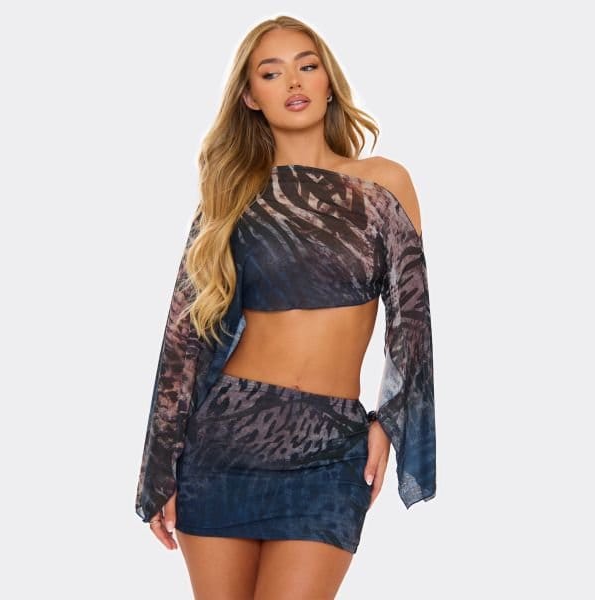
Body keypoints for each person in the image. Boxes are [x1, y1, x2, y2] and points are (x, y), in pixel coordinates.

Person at [135, 14, 436, 600]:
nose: (293, 82)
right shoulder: (230, 197)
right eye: (271, 73)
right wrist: (160, 466)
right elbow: (182, 340)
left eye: (307, 65)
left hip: (330, 446)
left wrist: (389, 418)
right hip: (222, 441)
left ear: (328, 82)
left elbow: (412, 321)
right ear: (250, 96)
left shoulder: (384, 183)